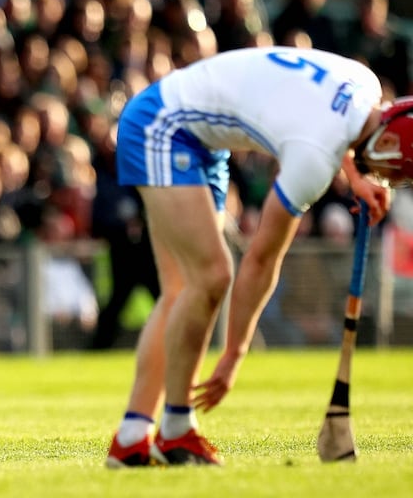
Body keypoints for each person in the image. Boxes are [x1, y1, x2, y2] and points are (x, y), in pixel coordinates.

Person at [105, 45, 412, 467]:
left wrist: (355, 177)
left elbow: (329, 122)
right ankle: (176, 431)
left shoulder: (363, 83)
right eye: (397, 171)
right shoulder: (313, 159)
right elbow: (263, 259)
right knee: (212, 276)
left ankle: (131, 438)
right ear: (391, 146)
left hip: (200, 136)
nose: (391, 180)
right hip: (165, 124)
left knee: (181, 289)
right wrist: (234, 352)